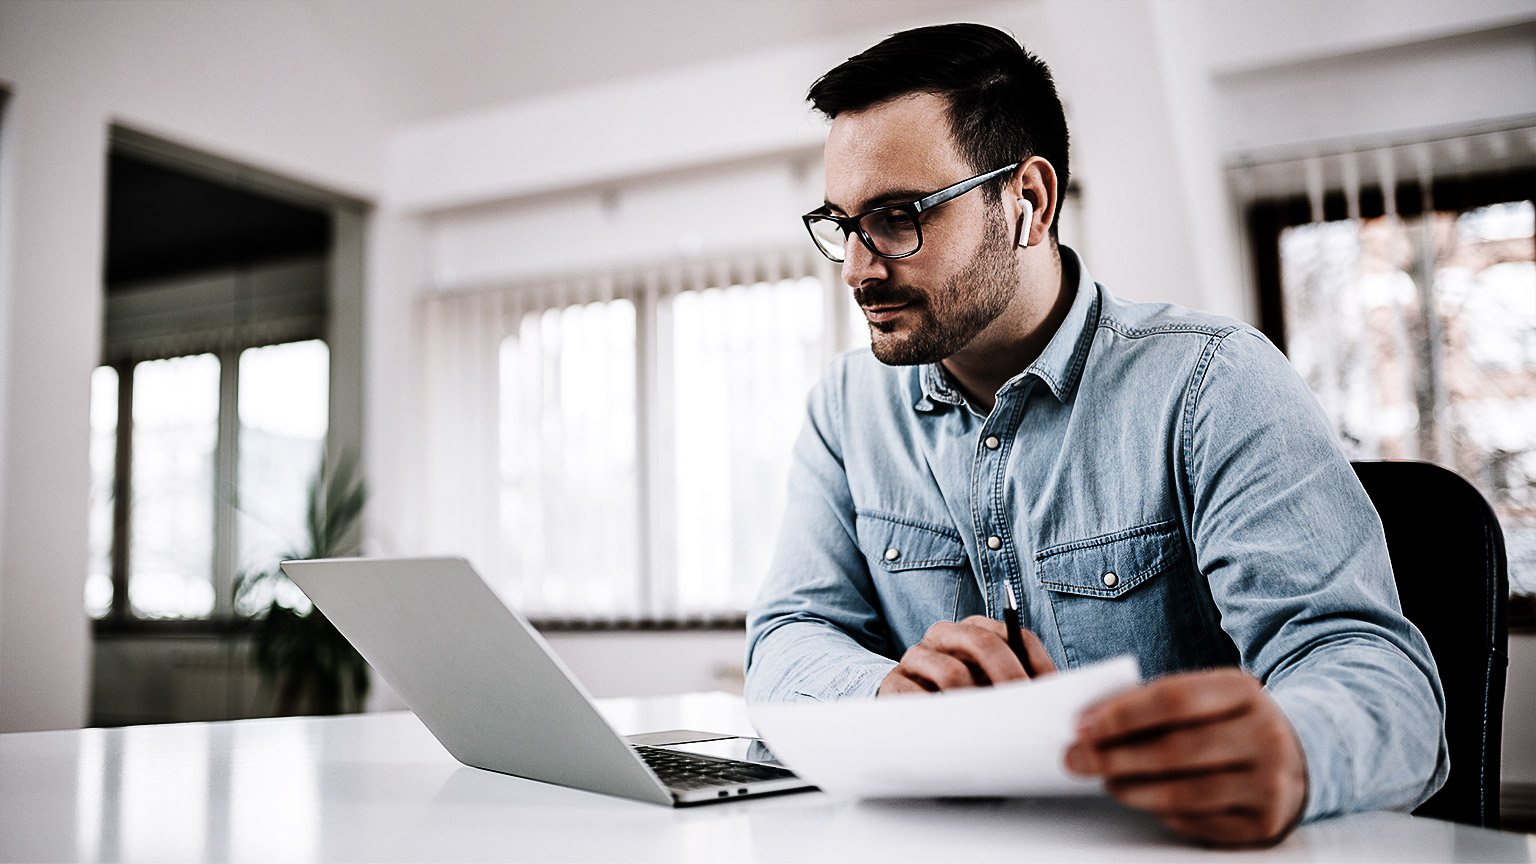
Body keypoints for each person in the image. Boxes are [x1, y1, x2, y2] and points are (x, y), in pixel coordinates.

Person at [744, 22, 1447, 847]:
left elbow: (1380, 680)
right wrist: (882, 696)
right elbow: (787, 639)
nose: (860, 267)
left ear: (1028, 203)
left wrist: (1297, 747)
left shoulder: (1212, 385)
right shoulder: (845, 407)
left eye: (899, 217)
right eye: (843, 222)